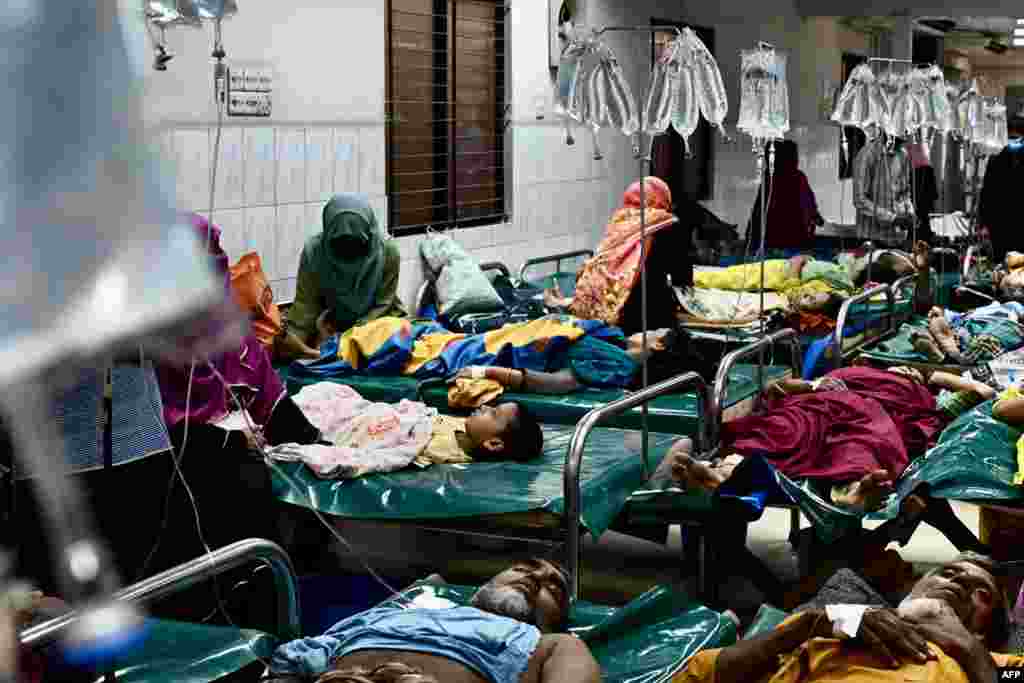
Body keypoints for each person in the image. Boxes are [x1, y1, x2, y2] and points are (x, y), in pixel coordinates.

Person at [151, 215, 323, 574]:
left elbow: (271, 401)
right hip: (169, 476)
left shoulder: (232, 333)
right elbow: (150, 436)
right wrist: (227, 442)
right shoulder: (144, 347)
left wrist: (320, 445)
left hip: (228, 459)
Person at [667, 362, 994, 513]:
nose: (904, 371)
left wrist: (930, 378)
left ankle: (851, 492)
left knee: (863, 442)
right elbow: (780, 389)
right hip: (821, 401)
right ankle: (724, 469)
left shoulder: (920, 391)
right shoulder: (853, 371)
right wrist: (813, 387)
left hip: (877, 414)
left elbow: (982, 391)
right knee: (786, 426)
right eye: (903, 368)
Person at [675, 552, 1017, 683]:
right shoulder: (827, 627)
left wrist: (967, 648)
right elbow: (702, 674)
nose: (958, 581)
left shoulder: (997, 666)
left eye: (980, 592)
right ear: (916, 586)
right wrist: (809, 625)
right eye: (950, 571)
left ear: (987, 631)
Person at [267, 559, 601, 683]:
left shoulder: (553, 644)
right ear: (479, 591)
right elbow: (297, 660)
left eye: (551, 587)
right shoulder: (395, 614)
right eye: (524, 569)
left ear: (556, 620)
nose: (534, 579)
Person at [292, 313, 710, 394]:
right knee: (410, 329)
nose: (648, 327)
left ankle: (317, 351)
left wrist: (489, 373)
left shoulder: (614, 362)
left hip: (484, 354)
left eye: (655, 330)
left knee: (399, 339)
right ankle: (326, 344)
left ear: (656, 345)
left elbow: (561, 381)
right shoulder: (614, 341)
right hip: (490, 339)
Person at [545, 177, 682, 335]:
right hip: (654, 317)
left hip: (617, 319)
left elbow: (602, 269)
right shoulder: (666, 225)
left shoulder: (620, 221)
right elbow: (682, 276)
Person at [281, 194, 406, 360]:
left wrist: (352, 336)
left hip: (380, 323)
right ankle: (328, 354)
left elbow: (384, 303)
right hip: (335, 326)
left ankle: (334, 353)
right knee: (288, 347)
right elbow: (306, 305)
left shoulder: (388, 252)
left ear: (369, 234)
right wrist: (294, 338)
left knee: (392, 347)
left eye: (355, 243)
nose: (348, 251)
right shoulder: (315, 252)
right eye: (341, 243)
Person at [746, 140, 825, 252]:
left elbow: (758, 209)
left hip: (771, 240)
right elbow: (809, 205)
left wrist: (750, 237)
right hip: (795, 239)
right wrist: (818, 220)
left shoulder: (769, 177)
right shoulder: (797, 177)